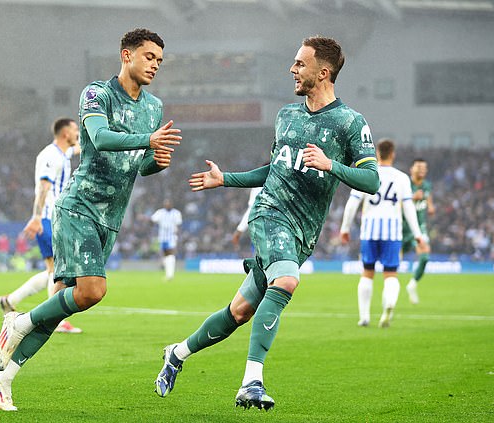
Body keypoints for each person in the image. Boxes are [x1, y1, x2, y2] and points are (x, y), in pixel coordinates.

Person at [154, 36, 380, 411]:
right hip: (269, 214)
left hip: (302, 232)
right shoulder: (286, 115)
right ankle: (251, 382)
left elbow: (372, 181)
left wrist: (331, 165)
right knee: (287, 281)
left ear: (323, 72)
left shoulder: (350, 123)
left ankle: (176, 353)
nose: (292, 69)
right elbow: (272, 170)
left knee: (238, 312)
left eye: (299, 64)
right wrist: (226, 178)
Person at [0, 28, 181, 412]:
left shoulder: (153, 108)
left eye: (159, 59)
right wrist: (147, 142)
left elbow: (137, 165)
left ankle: (2, 379)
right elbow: (102, 138)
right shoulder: (97, 94)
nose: (155, 64)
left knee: (61, 305)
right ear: (126, 55)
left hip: (111, 217)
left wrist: (156, 161)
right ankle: (17, 322)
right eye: (148, 57)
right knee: (92, 291)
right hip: (79, 207)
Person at [0, 117, 81, 335]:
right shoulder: (49, 155)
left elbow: (80, 149)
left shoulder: (63, 153)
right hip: (47, 218)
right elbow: (44, 187)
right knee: (59, 272)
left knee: (53, 270)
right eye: (74, 129)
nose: (77, 132)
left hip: (56, 218)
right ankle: (55, 319)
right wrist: (36, 217)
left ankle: (10, 300)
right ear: (64, 133)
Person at [340, 139, 427, 328]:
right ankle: (389, 304)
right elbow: (409, 208)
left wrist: (345, 228)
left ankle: (364, 317)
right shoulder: (402, 178)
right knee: (390, 274)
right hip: (392, 233)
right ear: (393, 154)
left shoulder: (366, 174)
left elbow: (352, 203)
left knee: (367, 273)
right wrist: (418, 234)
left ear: (377, 154)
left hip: (369, 231)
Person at [402, 158, 435, 304]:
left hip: (419, 228)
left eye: (424, 168)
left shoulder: (427, 185)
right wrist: (412, 199)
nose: (422, 170)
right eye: (419, 167)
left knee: (425, 257)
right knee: (392, 265)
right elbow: (395, 202)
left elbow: (428, 199)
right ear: (411, 169)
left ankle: (412, 284)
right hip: (402, 229)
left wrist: (431, 206)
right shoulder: (404, 184)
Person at [151, 199, 182, 280]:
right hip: (162, 237)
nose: (167, 205)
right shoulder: (160, 212)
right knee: (165, 255)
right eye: (166, 204)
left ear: (171, 204)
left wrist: (177, 236)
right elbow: (152, 220)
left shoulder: (176, 213)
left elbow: (178, 225)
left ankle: (170, 275)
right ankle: (168, 272)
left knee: (171, 253)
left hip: (171, 237)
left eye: (168, 203)